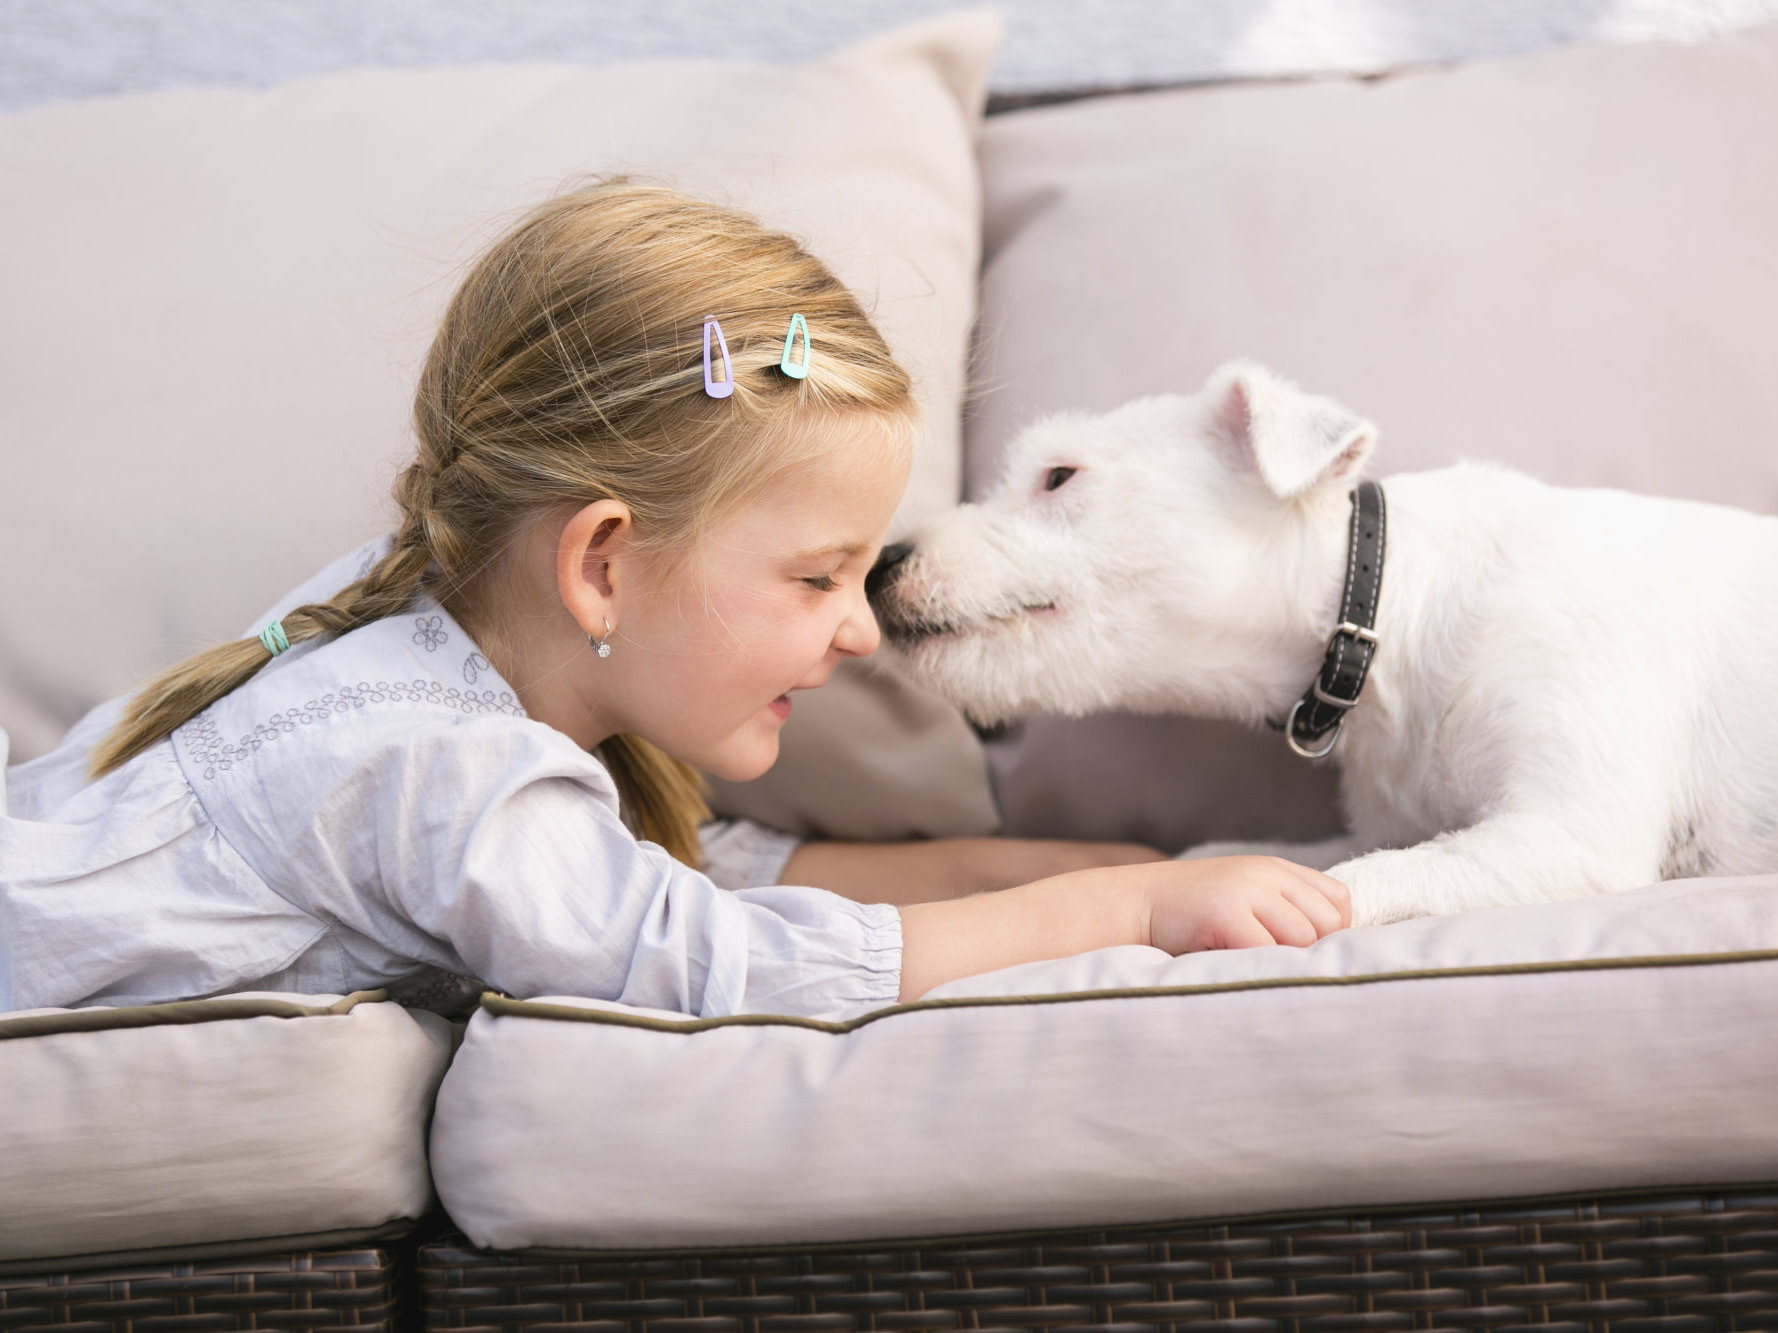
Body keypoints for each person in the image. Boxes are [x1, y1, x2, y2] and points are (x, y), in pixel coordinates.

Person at [0, 181, 1348, 1020]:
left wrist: (1104, 870)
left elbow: (710, 871)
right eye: (817, 577)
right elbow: (723, 961)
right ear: (601, 565)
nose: (862, 629)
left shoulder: (438, 655)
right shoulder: (443, 769)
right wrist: (1127, 919)